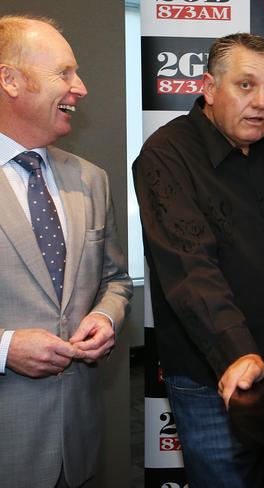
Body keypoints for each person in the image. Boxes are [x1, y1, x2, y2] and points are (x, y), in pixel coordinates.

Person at [133, 33, 264, 488]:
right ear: (209, 87)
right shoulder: (166, 154)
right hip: (214, 373)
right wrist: (238, 355)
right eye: (245, 85)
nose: (260, 102)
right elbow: (189, 268)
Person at [0, 15, 133, 488]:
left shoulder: (91, 179)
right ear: (10, 79)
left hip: (77, 447)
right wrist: (5, 348)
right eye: (65, 73)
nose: (81, 87)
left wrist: (106, 317)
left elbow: (115, 281)